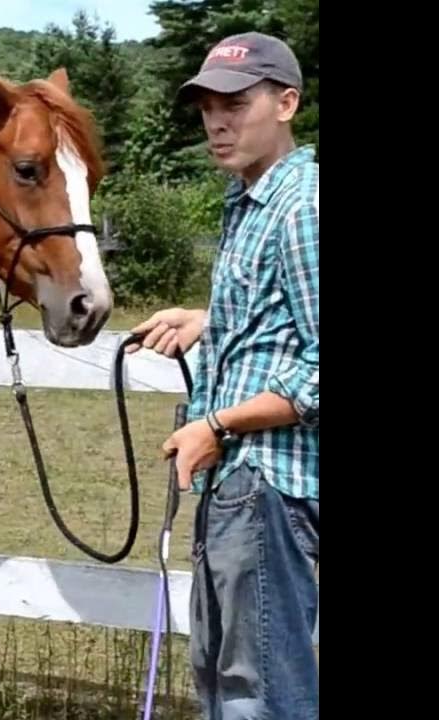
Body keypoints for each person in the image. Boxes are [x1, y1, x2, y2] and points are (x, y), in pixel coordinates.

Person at [127, 31, 318, 720]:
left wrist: (216, 424)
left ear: (287, 103)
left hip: (266, 483)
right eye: (207, 105)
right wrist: (208, 319)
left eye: (236, 102)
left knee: (259, 696)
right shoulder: (252, 203)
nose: (217, 120)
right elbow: (287, 313)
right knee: (224, 686)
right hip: (237, 483)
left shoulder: (303, 207)